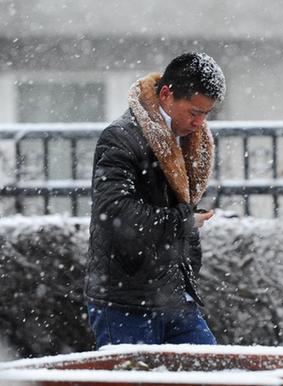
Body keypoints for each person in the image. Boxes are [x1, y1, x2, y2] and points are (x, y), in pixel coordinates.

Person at [84, 52, 226, 348]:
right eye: (194, 112)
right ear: (166, 94)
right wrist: (184, 222)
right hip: (125, 303)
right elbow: (114, 213)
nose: (200, 123)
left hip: (175, 298)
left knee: (216, 375)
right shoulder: (121, 138)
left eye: (206, 114)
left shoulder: (186, 140)